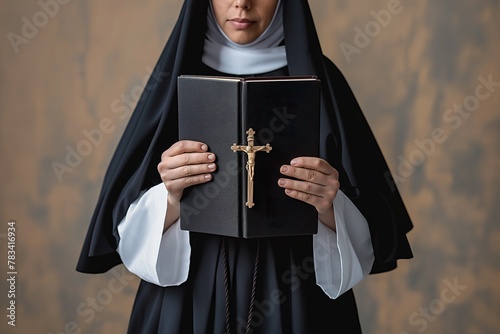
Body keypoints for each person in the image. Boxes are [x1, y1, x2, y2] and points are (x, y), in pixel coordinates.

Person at [77, 0, 413, 333]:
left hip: (294, 287)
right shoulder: (173, 79)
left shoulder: (323, 81)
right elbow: (124, 217)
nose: (242, 3)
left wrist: (330, 205)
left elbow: (372, 218)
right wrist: (170, 195)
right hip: (189, 294)